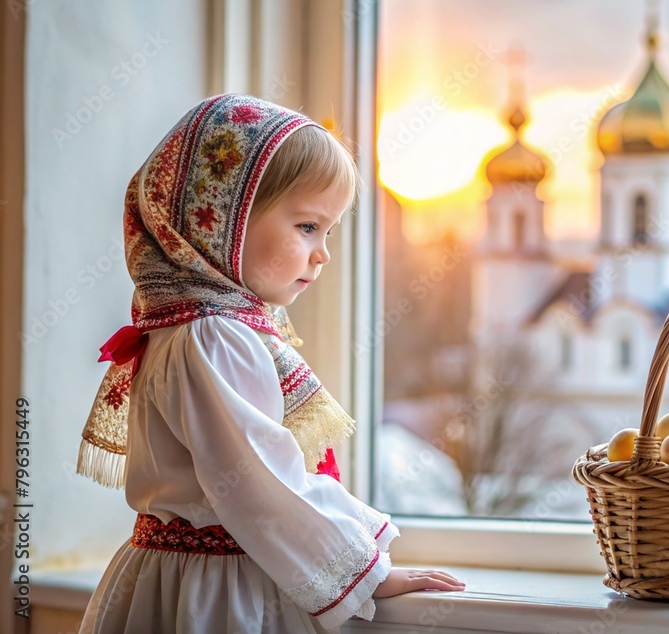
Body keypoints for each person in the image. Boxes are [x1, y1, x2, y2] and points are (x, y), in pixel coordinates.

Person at [76, 94, 465, 633]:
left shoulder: (185, 327)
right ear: (222, 221)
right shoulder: (214, 336)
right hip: (221, 594)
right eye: (307, 226)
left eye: (329, 231)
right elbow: (262, 484)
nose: (323, 252)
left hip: (189, 576)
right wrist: (367, 575)